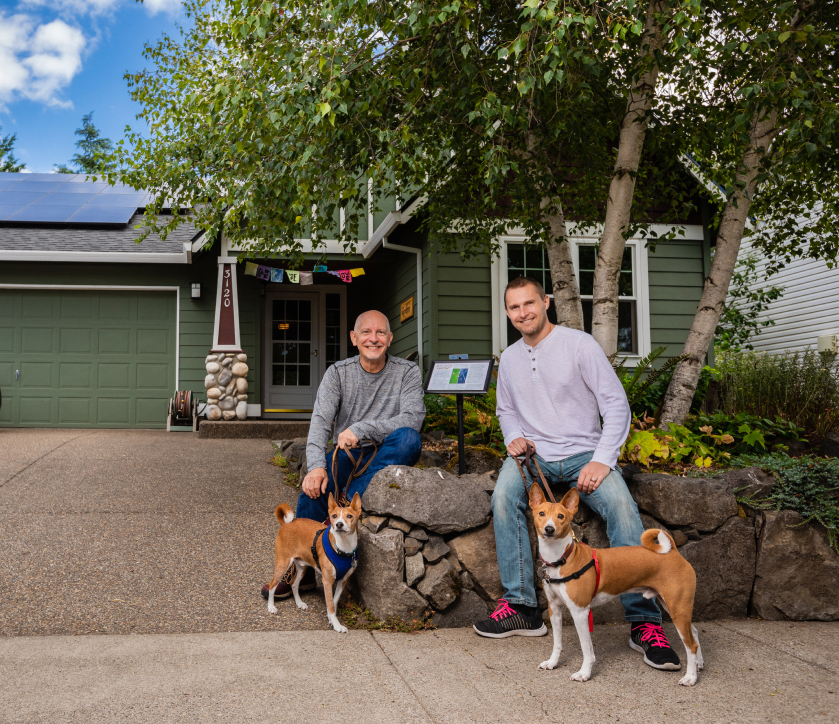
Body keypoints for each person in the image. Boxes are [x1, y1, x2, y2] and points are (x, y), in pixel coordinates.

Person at [472, 276, 682, 672]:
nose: (523, 313)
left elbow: (616, 405)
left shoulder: (579, 345)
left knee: (620, 506)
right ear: (507, 312)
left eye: (529, 304)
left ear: (545, 302)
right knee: (503, 496)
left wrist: (603, 459)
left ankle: (644, 624)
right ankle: (521, 606)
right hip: (534, 456)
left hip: (585, 452)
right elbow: (506, 411)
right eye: (514, 307)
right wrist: (514, 437)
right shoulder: (512, 357)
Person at [266, 309, 425, 600]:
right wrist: (315, 466)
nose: (373, 339)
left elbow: (412, 419)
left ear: (390, 339)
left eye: (380, 333)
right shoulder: (338, 373)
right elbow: (319, 424)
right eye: (366, 332)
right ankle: (300, 566)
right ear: (354, 338)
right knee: (316, 486)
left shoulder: (407, 372)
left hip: (387, 453)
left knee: (409, 439)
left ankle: (342, 509)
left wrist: (362, 428)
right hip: (346, 456)